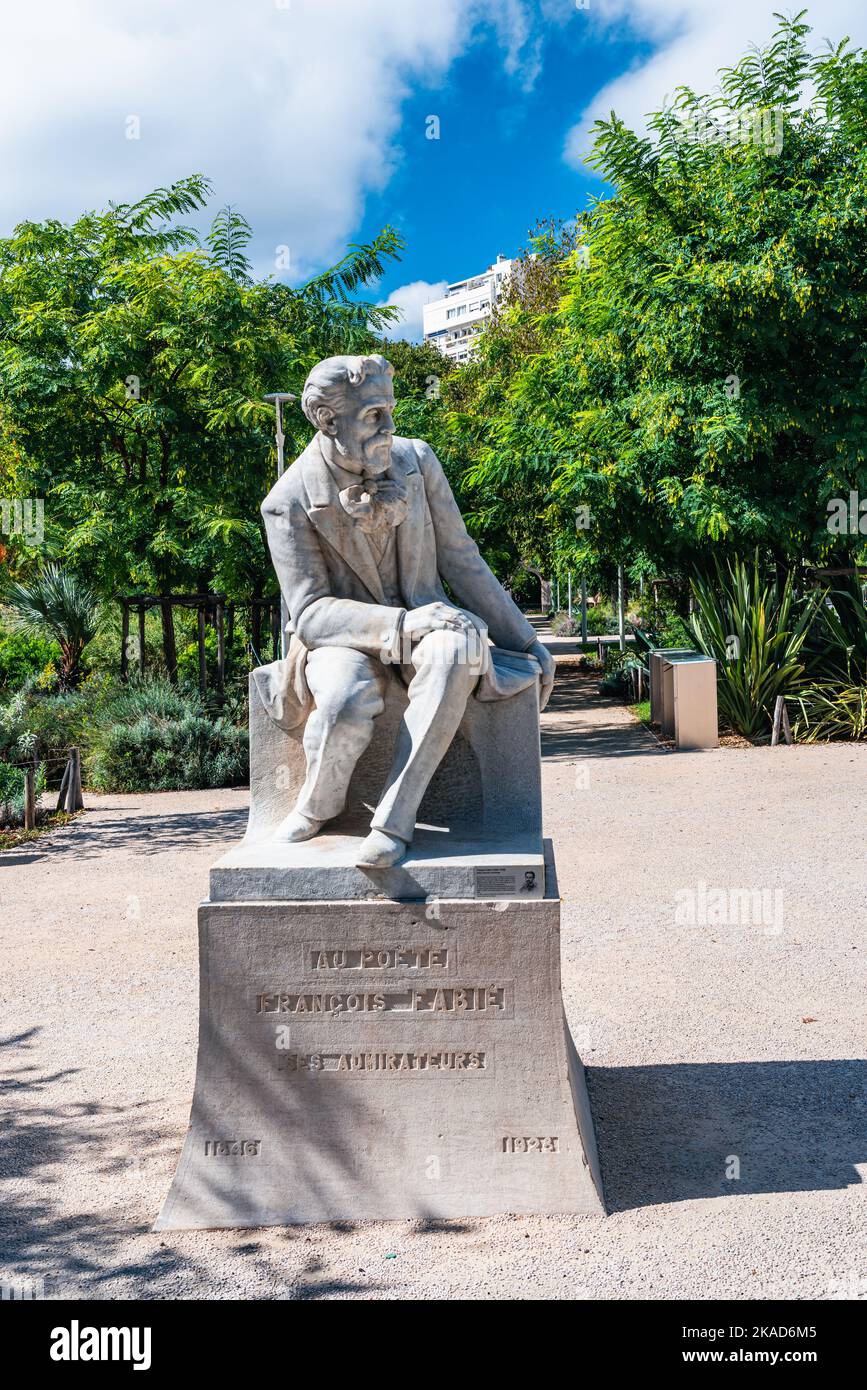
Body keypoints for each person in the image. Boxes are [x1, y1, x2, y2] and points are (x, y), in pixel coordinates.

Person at [257, 353, 555, 869]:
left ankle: (393, 821)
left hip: (426, 620)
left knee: (460, 647)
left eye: (391, 411)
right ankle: (320, 802)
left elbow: (463, 560)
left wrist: (526, 641)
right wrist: (400, 624)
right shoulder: (288, 501)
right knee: (346, 699)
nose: (390, 427)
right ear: (327, 419)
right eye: (374, 415)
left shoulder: (417, 461)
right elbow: (309, 613)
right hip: (342, 640)